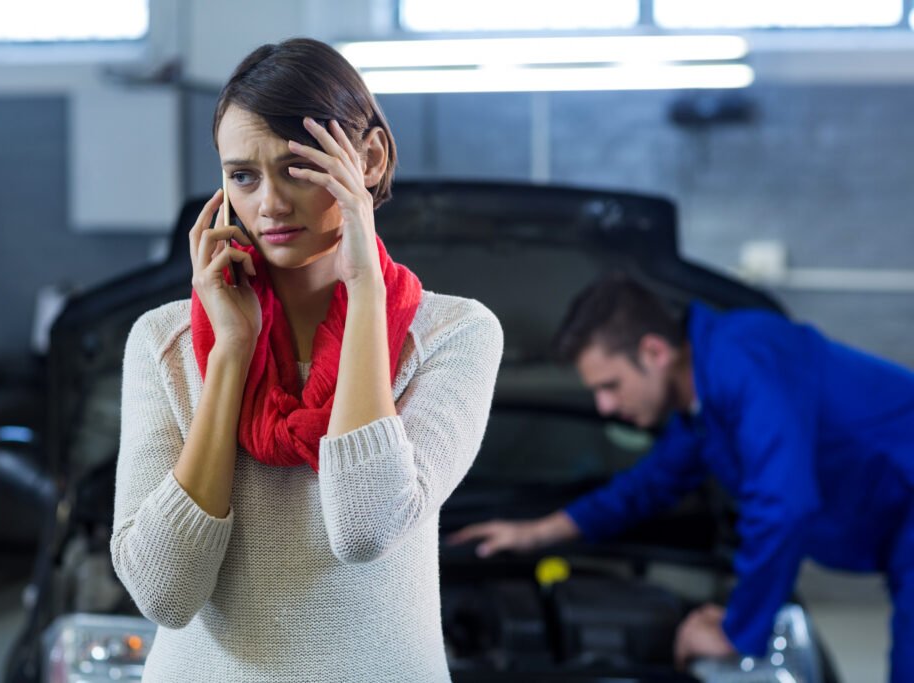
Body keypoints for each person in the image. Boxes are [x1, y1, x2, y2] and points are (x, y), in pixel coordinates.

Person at [110, 38, 503, 682]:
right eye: (242, 175)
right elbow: (165, 592)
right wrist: (231, 354)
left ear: (369, 158)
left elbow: (363, 526)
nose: (268, 202)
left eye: (296, 166)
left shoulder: (456, 333)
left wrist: (366, 292)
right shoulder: (164, 340)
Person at [449, 273, 914, 681]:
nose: (604, 408)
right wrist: (536, 533)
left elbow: (782, 503)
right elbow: (644, 489)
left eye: (610, 386)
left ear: (653, 351)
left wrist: (735, 632)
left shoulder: (743, 357)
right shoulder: (703, 408)